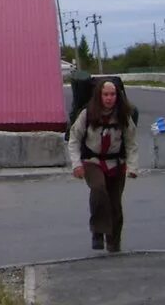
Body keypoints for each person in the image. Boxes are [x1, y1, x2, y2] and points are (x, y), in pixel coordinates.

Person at [68, 79, 139, 252]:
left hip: (116, 163)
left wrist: (132, 167)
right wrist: (76, 164)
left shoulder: (123, 115)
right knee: (99, 190)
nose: (109, 98)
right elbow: (74, 139)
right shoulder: (87, 114)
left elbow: (131, 143)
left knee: (115, 203)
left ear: (118, 96)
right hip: (92, 162)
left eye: (112, 94)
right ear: (99, 96)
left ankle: (114, 243)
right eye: (105, 94)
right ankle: (98, 232)